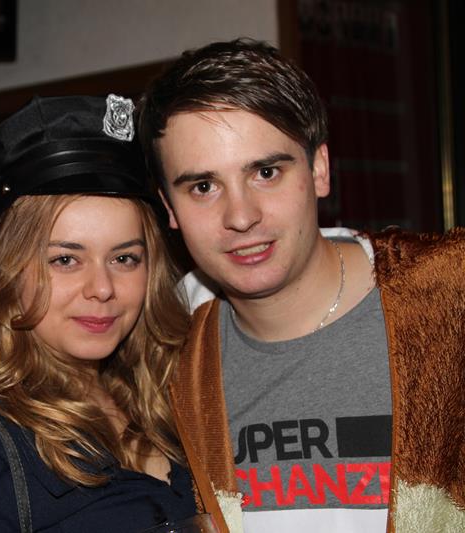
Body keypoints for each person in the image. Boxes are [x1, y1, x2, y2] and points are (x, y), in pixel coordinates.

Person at [138, 38, 465, 533]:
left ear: (319, 169)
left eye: (266, 172)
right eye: (203, 186)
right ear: (169, 208)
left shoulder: (447, 295)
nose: (241, 216)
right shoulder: (162, 352)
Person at [0, 95, 202, 532]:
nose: (102, 288)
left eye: (124, 259)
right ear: (9, 275)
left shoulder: (178, 407)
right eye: (65, 260)